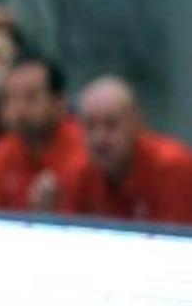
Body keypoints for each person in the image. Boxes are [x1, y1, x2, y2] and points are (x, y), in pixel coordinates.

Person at [59, 76, 192, 224]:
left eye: (111, 125)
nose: (99, 138)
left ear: (136, 123)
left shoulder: (173, 168)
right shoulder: (78, 171)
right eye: (89, 126)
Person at [0, 55, 83, 212]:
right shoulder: (1, 153)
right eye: (11, 99)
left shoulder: (83, 149)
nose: (19, 110)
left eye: (31, 98)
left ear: (59, 103)